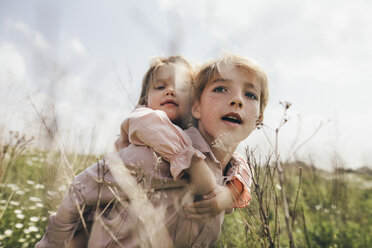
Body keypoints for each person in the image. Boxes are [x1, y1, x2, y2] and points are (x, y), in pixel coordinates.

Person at [35, 53, 268, 247]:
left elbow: (242, 171)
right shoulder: (152, 156)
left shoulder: (231, 172)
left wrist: (228, 196)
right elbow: (80, 188)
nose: (237, 100)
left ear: (259, 118)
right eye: (221, 89)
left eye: (250, 94)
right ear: (196, 106)